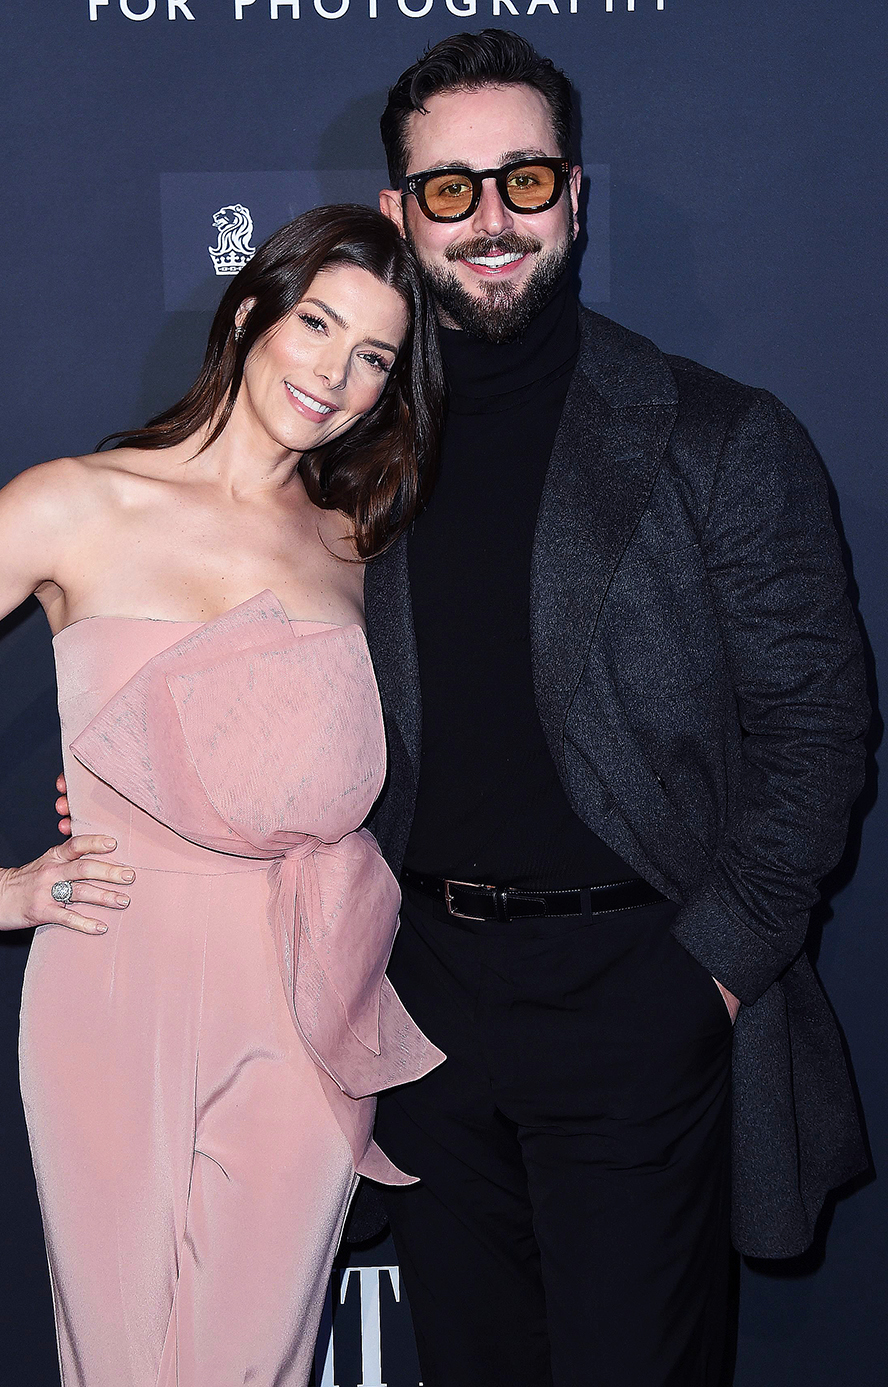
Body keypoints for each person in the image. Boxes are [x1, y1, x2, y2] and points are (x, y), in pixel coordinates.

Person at [357, 29, 868, 1387]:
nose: (491, 220)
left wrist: (702, 974)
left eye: (523, 180)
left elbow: (819, 729)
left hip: (638, 997)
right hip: (419, 1002)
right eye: (450, 189)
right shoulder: (350, 453)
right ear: (403, 214)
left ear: (576, 196)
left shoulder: (720, 435)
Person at [0, 204, 446, 1387]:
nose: (333, 375)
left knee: (259, 1365)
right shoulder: (78, 504)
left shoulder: (356, 544)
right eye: (315, 324)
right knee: (128, 1364)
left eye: (373, 358)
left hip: (304, 1000)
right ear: (250, 313)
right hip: (115, 981)